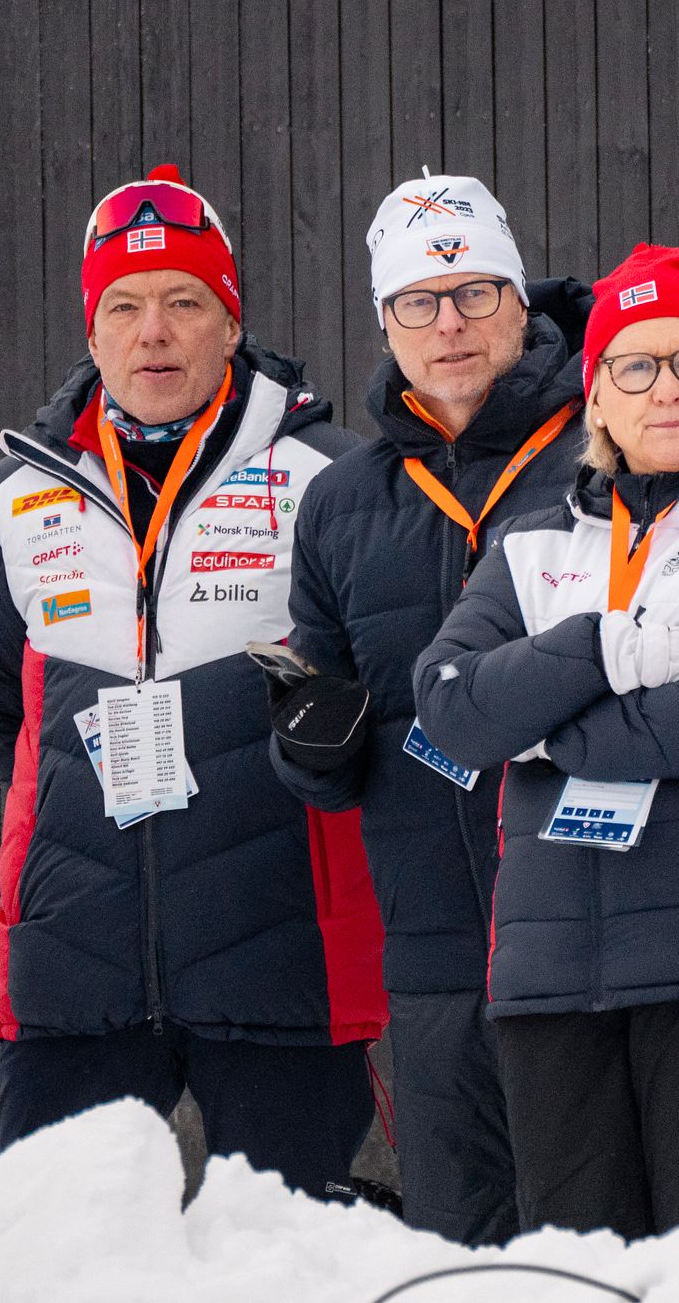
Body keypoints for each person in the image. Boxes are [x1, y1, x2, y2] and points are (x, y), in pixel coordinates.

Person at [0, 165, 386, 1200]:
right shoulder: (12, 501)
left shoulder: (331, 478)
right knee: (61, 1268)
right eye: (125, 307)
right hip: (74, 972)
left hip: (282, 962)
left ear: (228, 324)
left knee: (284, 1267)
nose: (154, 332)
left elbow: (386, 696)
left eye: (184, 302)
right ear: (91, 335)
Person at [411, 244, 679, 1239]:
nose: (667, 388)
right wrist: (600, 643)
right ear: (595, 399)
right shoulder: (529, 545)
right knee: (578, 1280)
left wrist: (545, 731)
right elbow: (449, 706)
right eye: (635, 365)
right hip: (546, 984)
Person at [264, 174, 589, 1245]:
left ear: (518, 300)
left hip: (592, 924)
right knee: (460, 1240)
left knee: (593, 1235)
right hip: (432, 947)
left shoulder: (606, 447)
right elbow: (324, 723)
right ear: (384, 322)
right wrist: (309, 745)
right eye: (417, 301)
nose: (447, 324)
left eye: (473, 292)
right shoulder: (344, 500)